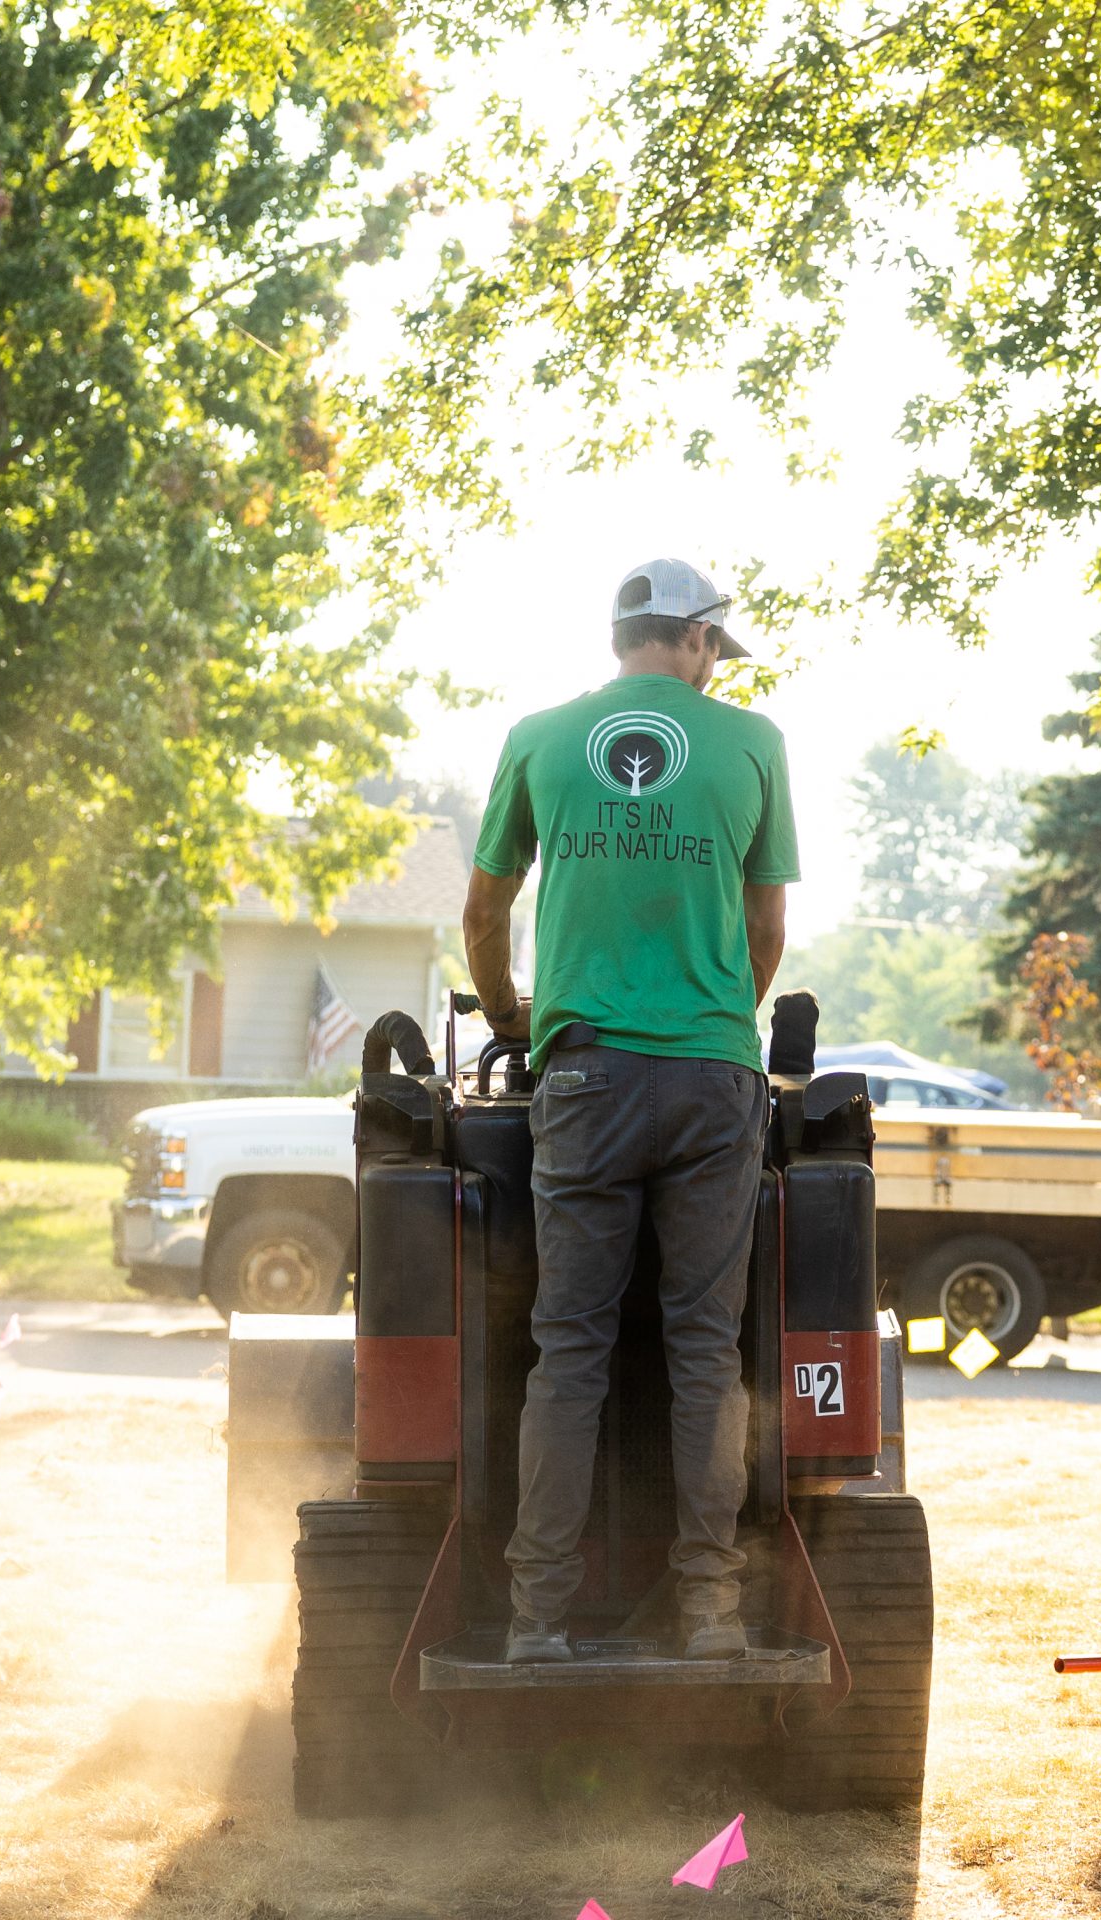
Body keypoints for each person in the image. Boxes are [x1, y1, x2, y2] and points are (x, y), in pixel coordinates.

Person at [462, 557, 799, 1664]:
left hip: (584, 1076)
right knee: (707, 1349)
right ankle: (709, 1611)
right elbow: (764, 934)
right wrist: (713, 1029)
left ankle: (538, 1621)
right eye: (716, 649)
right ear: (695, 640)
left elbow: (484, 906)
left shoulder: (541, 737)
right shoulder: (753, 745)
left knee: (570, 1350)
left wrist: (519, 1015)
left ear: (622, 637)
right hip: (711, 1079)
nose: (715, 668)